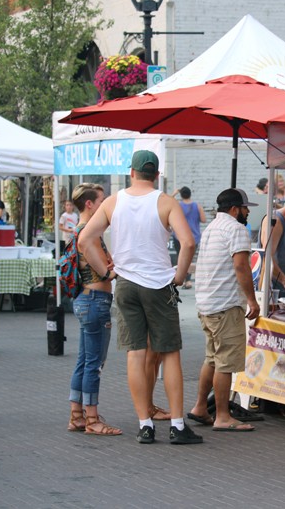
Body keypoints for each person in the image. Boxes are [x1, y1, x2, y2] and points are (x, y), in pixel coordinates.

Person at [79, 150, 202, 445]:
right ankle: (176, 424)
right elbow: (188, 242)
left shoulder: (113, 202)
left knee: (136, 353)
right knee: (169, 351)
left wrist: (105, 272)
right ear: (156, 175)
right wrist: (181, 275)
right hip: (159, 285)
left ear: (131, 173)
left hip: (125, 285)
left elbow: (85, 239)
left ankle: (145, 424)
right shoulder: (165, 202)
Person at [187, 188, 260, 432]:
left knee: (213, 358)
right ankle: (222, 416)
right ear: (234, 209)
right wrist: (252, 300)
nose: (248, 211)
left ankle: (200, 407)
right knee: (226, 362)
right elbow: (241, 267)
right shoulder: (236, 229)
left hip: (207, 303)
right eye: (245, 207)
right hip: (226, 305)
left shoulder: (212, 228)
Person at [67, 183, 122, 436]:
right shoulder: (88, 233)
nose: (105, 207)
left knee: (83, 360)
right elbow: (106, 270)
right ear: (89, 204)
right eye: (101, 201)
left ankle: (77, 415)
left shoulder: (80, 231)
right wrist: (115, 268)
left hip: (86, 299)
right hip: (95, 300)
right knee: (94, 363)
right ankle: (92, 419)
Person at [171, 186, 206, 289]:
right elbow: (203, 219)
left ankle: (180, 278)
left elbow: (166, 201)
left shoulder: (177, 205)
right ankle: (188, 280)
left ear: (181, 195)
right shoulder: (197, 206)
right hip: (194, 237)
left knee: (180, 257)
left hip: (179, 236)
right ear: (190, 194)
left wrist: (174, 193)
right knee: (189, 258)